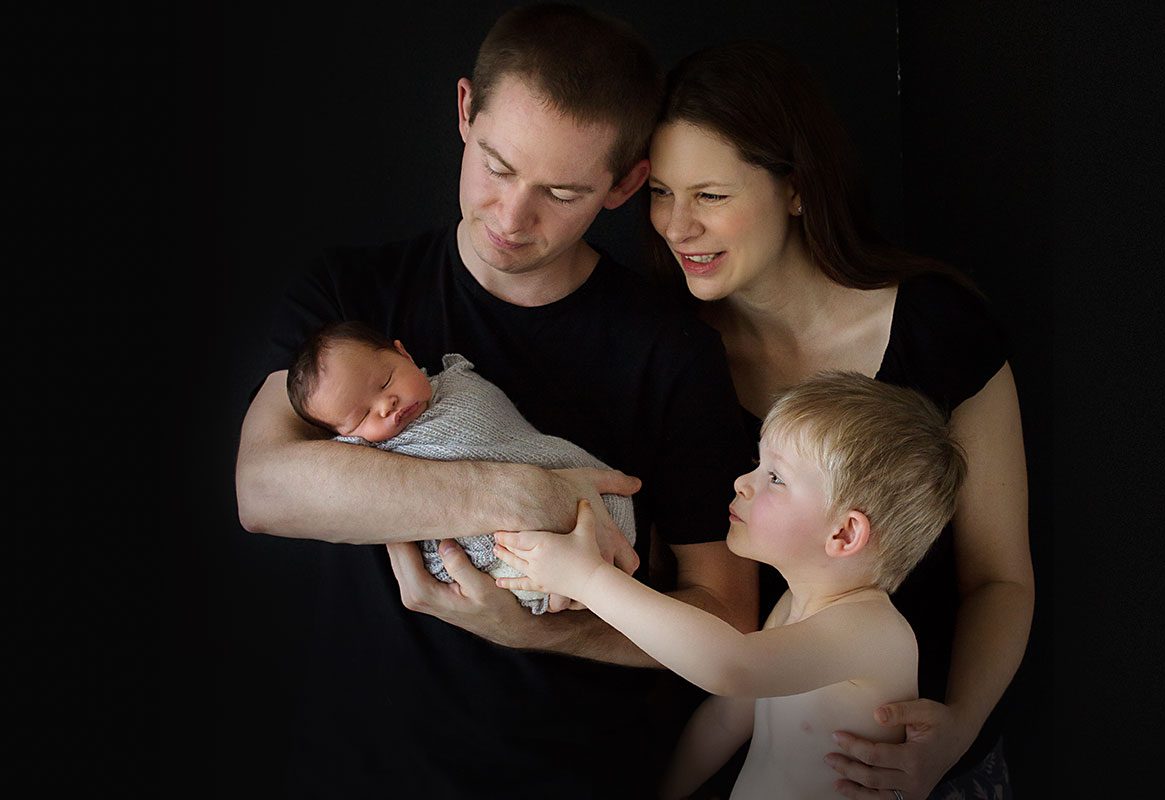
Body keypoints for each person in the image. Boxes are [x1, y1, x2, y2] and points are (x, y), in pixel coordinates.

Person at [234, 4, 757, 797]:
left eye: (562, 190)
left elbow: (729, 622)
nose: (512, 219)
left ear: (623, 185)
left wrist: (550, 628)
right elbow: (264, 488)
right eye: (497, 165)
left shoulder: (671, 351)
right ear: (463, 112)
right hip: (351, 769)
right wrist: (524, 492)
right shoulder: (351, 298)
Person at [642, 41, 1034, 799]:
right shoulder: (668, 352)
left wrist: (949, 733)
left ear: (796, 188)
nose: (676, 226)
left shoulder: (940, 328)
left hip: (923, 766)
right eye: (660, 192)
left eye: (710, 195)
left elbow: (1000, 579)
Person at [492, 370, 968, 800]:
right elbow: (726, 717)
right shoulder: (795, 606)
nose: (743, 481)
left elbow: (730, 667)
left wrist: (588, 578)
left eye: (775, 477)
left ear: (843, 534)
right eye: (757, 465)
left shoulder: (873, 632)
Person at [284, 319, 637, 614]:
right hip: (498, 545)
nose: (385, 405)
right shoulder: (366, 457)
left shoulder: (459, 382)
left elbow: (509, 435)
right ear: (344, 437)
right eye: (361, 415)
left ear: (403, 353)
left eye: (385, 381)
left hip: (560, 476)